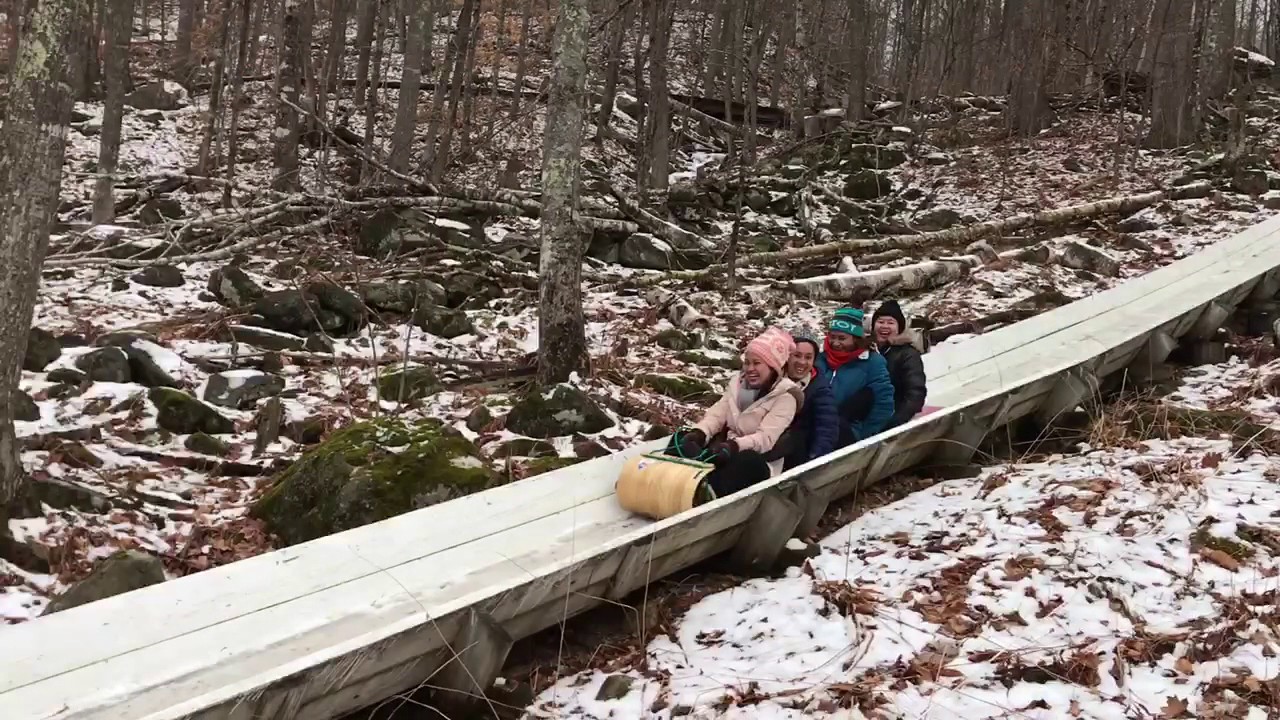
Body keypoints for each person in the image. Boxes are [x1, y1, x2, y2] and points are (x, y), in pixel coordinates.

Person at [670, 326, 803, 496]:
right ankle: (668, 479)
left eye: (757, 363)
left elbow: (765, 439)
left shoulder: (786, 397)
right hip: (723, 450)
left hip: (760, 459)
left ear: (773, 367)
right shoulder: (737, 385)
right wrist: (700, 432)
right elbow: (717, 415)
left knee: (748, 461)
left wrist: (734, 446)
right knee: (681, 439)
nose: (750, 369)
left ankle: (705, 495)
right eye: (747, 362)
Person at [816, 307, 895, 446]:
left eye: (842, 338)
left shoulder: (872, 363)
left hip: (848, 434)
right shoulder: (820, 360)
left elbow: (883, 403)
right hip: (817, 428)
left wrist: (864, 436)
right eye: (832, 337)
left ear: (855, 339)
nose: (835, 343)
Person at [782, 327, 838, 470]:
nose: (802, 362)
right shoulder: (772, 377)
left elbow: (826, 427)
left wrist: (815, 460)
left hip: (797, 450)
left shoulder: (819, 388)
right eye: (797, 355)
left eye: (808, 357)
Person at [872, 299, 927, 429]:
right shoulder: (868, 350)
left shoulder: (908, 354)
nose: (884, 326)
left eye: (890, 323)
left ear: (899, 328)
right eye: (880, 322)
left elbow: (915, 392)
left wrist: (896, 421)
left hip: (893, 416)